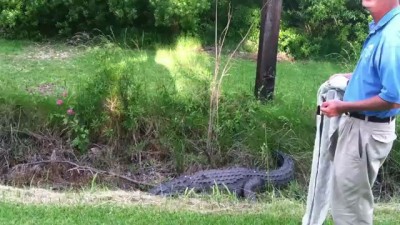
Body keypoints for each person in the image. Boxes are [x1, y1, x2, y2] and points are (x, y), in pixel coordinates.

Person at [320, 0, 400, 224]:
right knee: (348, 202)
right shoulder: (382, 28)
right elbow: (375, 76)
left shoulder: (393, 36)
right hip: (359, 127)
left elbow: (393, 99)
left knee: (351, 210)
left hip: (366, 130)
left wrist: (342, 106)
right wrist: (349, 77)